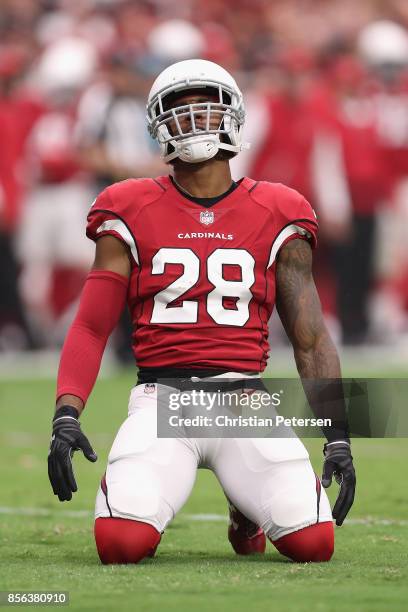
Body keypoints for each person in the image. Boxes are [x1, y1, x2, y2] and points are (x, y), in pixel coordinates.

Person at [48, 59, 356, 565]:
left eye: (204, 106)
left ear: (231, 116)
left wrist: (337, 435)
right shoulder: (127, 204)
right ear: (157, 125)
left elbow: (311, 338)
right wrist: (66, 413)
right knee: (121, 546)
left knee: (314, 545)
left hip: (245, 403)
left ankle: (246, 507)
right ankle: (151, 495)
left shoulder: (280, 208)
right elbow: (90, 325)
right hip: (162, 398)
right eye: (178, 109)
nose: (192, 119)